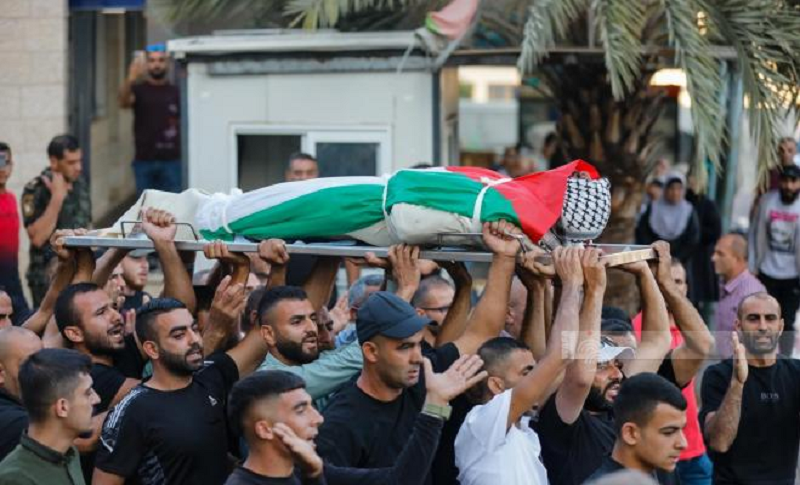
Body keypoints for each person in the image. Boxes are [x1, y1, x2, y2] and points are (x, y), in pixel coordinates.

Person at [316, 221, 523, 480]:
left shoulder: (423, 377)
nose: (417, 357)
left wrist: (504, 257)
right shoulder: (340, 423)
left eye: (417, 344)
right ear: (370, 352)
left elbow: (480, 334)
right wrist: (435, 407)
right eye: (404, 347)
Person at [225, 353, 485, 485]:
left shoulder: (308, 469)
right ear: (265, 429)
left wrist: (435, 406)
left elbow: (400, 481)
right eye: (301, 410)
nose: (318, 419)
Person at [93, 292, 270, 485]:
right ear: (152, 349)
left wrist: (278, 276)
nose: (194, 339)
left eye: (194, 329)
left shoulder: (211, 376)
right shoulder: (132, 411)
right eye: (179, 335)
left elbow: (262, 336)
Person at [453, 246, 587, 485]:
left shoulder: (523, 431)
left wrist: (551, 286)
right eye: (527, 372)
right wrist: (572, 283)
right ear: (496, 385)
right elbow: (561, 355)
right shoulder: (482, 421)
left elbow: (560, 359)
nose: (537, 378)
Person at [701, 292, 800, 484]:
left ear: (780, 327)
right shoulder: (718, 375)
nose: (762, 327)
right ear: (738, 326)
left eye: (770, 318)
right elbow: (719, 442)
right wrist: (737, 382)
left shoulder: (796, 373)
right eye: (753, 319)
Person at [0, 348, 99, 485]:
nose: (97, 399)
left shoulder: (69, 454)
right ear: (62, 407)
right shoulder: (16, 478)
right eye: (87, 393)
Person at [257, 286, 363, 411]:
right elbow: (355, 356)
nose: (312, 328)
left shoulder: (316, 359)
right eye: (297, 322)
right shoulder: (266, 380)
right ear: (269, 334)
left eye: (313, 319)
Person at [22, 134, 91, 307]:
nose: (78, 167)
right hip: (47, 278)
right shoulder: (36, 189)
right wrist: (57, 198)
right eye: (71, 162)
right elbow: (37, 238)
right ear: (54, 162)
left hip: (78, 271)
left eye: (79, 161)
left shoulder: (79, 184)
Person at [586, 373, 687, 482]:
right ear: (630, 433)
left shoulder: (663, 470)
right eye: (668, 432)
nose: (683, 444)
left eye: (682, 430)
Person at [749, 163, 800, 356]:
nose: (789, 186)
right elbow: (754, 233)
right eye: (785, 181)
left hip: (793, 275)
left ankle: (785, 360)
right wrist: (753, 264)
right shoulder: (767, 201)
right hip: (766, 271)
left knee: (787, 320)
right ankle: (761, 356)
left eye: (794, 181)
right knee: (762, 317)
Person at [119, 44, 182, 195]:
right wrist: (131, 78)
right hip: (144, 161)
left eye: (161, 60)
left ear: (167, 64)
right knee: (145, 207)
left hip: (172, 161)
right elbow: (123, 102)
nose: (156, 64)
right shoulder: (138, 90)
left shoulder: (176, 91)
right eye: (152, 60)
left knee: (173, 206)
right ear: (146, 64)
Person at [712, 233, 766, 358]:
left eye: (720, 254)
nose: (713, 258)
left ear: (737, 259)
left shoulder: (750, 294)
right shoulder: (726, 283)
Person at [636, 173, 700, 265]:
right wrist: (654, 254)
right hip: (653, 261)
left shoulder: (688, 210)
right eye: (672, 188)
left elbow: (693, 238)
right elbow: (643, 232)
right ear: (665, 189)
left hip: (679, 263)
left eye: (679, 189)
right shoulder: (654, 207)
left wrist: (677, 258)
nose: (675, 192)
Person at [0, 327, 42, 461]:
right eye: (30, 366)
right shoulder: (16, 422)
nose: (45, 372)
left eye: (45, 361)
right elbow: (83, 444)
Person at [0, 142, 30, 323]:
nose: (2, 168)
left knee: (26, 322)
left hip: (13, 278)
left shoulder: (11, 198)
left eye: (6, 162)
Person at [685, 176, 721, 308]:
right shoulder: (683, 203)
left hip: (700, 259)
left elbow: (715, 232)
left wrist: (695, 231)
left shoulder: (708, 205)